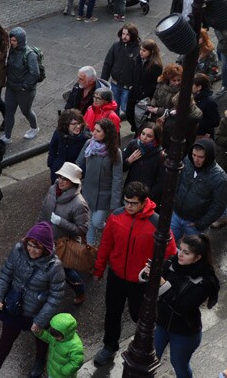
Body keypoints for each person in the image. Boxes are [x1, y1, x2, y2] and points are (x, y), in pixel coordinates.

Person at [92, 181, 177, 366]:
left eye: (133, 203)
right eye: (126, 202)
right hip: (116, 276)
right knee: (112, 312)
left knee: (139, 316)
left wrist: (156, 273)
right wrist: (99, 269)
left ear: (143, 202)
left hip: (140, 281)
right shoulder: (116, 216)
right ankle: (109, 346)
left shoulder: (156, 223)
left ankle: (147, 344)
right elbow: (106, 244)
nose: (128, 206)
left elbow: (170, 253)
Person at [0, 222, 65, 378]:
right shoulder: (18, 251)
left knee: (40, 339)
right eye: (30, 244)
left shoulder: (55, 267)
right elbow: (5, 275)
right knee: (5, 339)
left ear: (45, 248)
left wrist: (40, 320)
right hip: (15, 307)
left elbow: (55, 296)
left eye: (36, 247)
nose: (31, 249)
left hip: (37, 312)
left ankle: (40, 361)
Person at [143, 233, 221, 378]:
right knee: (148, 360)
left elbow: (182, 307)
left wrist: (163, 284)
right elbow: (151, 287)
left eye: (186, 252)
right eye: (180, 249)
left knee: (179, 364)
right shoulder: (172, 263)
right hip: (161, 324)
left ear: (197, 257)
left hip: (184, 332)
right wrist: (150, 274)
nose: (180, 255)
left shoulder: (205, 281)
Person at [39, 162, 91, 304]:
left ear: (73, 182)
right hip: (47, 238)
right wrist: (37, 231)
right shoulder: (52, 189)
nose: (61, 181)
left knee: (65, 271)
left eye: (65, 179)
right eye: (60, 177)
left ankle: (80, 291)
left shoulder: (79, 203)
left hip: (64, 243)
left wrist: (60, 221)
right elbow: (44, 211)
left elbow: (82, 229)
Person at [76, 118, 123, 245]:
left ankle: (108, 232)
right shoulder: (89, 144)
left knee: (97, 222)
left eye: (98, 131)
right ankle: (89, 248)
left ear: (106, 133)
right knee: (90, 222)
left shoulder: (115, 152)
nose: (93, 133)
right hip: (88, 191)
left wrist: (115, 204)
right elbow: (79, 164)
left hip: (104, 195)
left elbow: (117, 179)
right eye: (94, 130)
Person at [171, 138, 227, 240]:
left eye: (201, 157)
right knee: (165, 247)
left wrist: (201, 224)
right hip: (176, 215)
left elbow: (219, 206)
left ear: (209, 156)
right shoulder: (187, 161)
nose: (196, 159)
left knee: (190, 252)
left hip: (195, 224)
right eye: (194, 155)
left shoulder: (220, 178)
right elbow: (178, 182)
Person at [1, 27, 40, 143]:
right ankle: (7, 136)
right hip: (11, 87)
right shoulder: (12, 51)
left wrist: (25, 86)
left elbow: (35, 73)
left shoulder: (30, 55)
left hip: (24, 91)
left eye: (14, 41)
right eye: (11, 40)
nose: (12, 43)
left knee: (26, 111)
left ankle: (34, 128)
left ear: (21, 40)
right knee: (9, 112)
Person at [122, 123, 165, 201]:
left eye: (149, 136)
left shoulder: (159, 154)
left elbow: (162, 180)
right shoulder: (133, 144)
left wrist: (150, 194)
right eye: (143, 134)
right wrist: (129, 161)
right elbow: (121, 168)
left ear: (155, 138)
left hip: (146, 196)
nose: (144, 138)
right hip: (130, 191)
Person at [33, 313, 84, 378]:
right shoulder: (56, 336)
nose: (54, 338)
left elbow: (77, 362)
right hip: (53, 369)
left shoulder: (75, 346)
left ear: (65, 334)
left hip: (63, 375)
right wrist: (39, 332)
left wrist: (64, 371)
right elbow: (48, 337)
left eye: (57, 337)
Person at [128, 39, 163, 134]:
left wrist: (143, 94)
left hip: (144, 95)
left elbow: (154, 84)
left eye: (144, 50)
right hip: (134, 91)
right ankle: (135, 128)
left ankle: (138, 132)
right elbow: (134, 73)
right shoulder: (138, 59)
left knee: (140, 117)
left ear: (151, 52)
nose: (141, 52)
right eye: (141, 49)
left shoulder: (155, 66)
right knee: (129, 113)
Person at [48, 110, 89, 183]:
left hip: (73, 174)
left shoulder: (85, 138)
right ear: (66, 125)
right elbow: (52, 147)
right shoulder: (59, 132)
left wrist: (80, 173)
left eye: (79, 123)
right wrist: (51, 163)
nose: (78, 126)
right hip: (58, 169)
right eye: (74, 124)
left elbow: (88, 160)